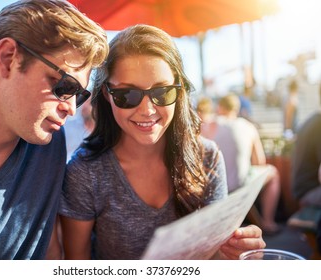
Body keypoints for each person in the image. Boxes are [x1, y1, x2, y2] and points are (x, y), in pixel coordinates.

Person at [59, 24, 266, 260]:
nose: (147, 110)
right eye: (128, 95)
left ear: (179, 92)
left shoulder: (207, 157)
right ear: (107, 94)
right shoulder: (85, 171)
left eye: (162, 92)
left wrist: (237, 251)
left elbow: (214, 259)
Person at [0, 0, 108, 260]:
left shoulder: (48, 144)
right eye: (65, 86)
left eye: (78, 95)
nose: (71, 109)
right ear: (8, 57)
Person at [197, 94, 281, 235]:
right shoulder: (248, 126)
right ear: (236, 109)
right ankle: (268, 222)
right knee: (273, 172)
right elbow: (259, 162)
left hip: (211, 189)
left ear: (220, 107)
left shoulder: (208, 125)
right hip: (241, 187)